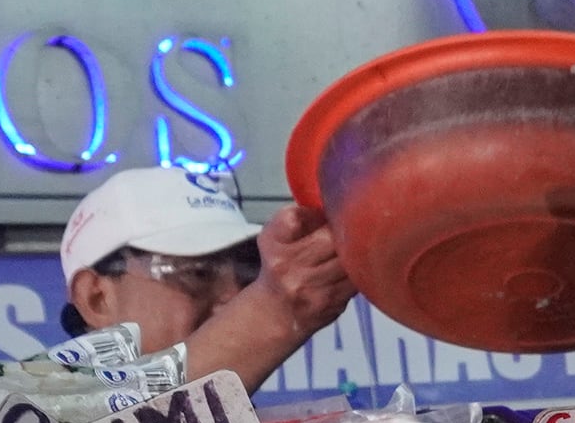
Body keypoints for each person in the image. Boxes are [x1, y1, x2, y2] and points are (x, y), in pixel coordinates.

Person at [55, 166, 356, 393]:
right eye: (198, 274)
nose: (235, 298)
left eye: (248, 273)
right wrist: (278, 307)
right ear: (97, 298)